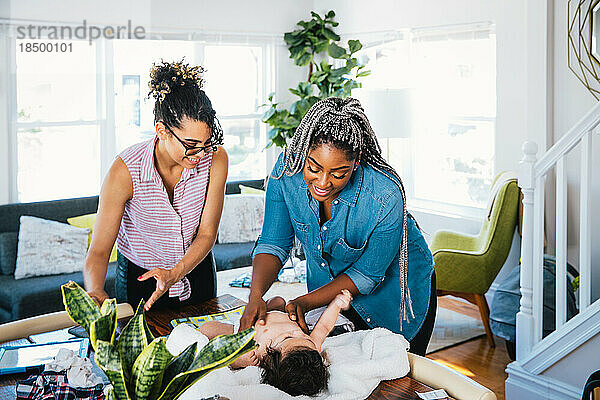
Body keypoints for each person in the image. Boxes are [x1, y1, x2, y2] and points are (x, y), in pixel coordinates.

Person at [240, 97, 436, 355]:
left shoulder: (385, 195)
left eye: (338, 173)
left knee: (396, 380)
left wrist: (306, 301)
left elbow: (366, 276)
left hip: (396, 298)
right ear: (304, 153)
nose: (322, 182)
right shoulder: (286, 171)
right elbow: (273, 242)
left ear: (356, 162)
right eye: (313, 167)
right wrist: (256, 296)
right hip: (329, 294)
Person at [83, 60, 228, 311]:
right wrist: (95, 289)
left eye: (207, 142)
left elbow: (207, 234)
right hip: (140, 281)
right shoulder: (125, 171)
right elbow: (98, 251)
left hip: (196, 271)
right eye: (191, 144)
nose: (200, 153)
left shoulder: (216, 159)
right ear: (162, 131)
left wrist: (176, 273)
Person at [200, 289, 353, 396]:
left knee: (206, 329)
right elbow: (324, 326)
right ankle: (268, 306)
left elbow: (228, 361)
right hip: (274, 312)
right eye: (300, 335)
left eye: (286, 339)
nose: (293, 333)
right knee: (279, 300)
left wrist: (240, 361)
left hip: (247, 327)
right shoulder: (311, 346)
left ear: (272, 361)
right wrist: (337, 305)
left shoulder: (263, 355)